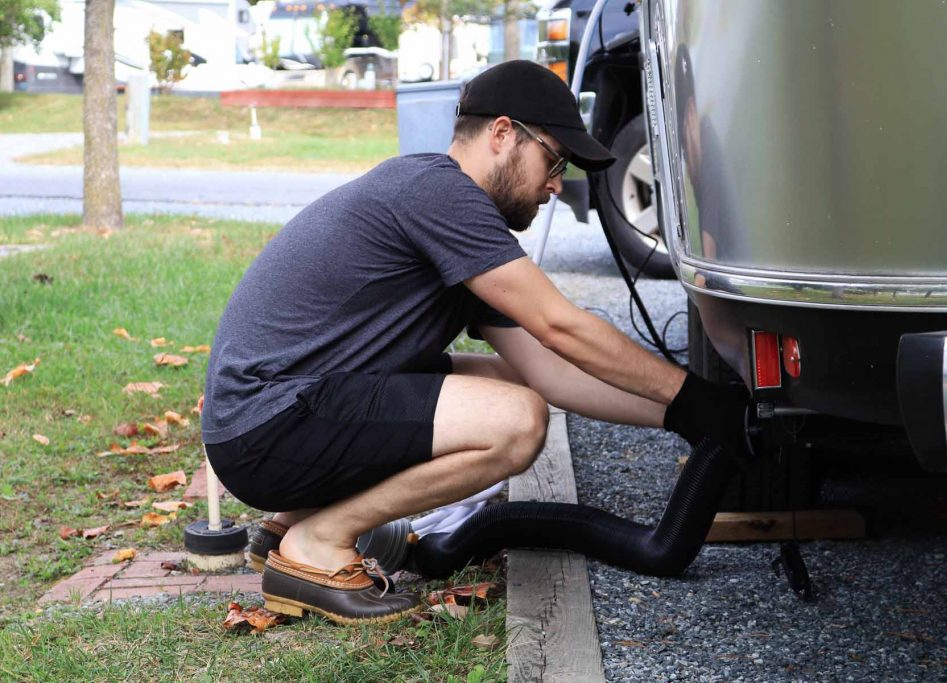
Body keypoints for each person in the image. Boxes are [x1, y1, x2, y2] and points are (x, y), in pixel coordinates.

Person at [201, 60, 747, 625]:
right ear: (502, 134)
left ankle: (292, 521)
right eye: (553, 160)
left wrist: (681, 416)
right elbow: (562, 326)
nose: (557, 185)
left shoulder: (456, 214)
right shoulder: (442, 193)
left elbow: (553, 368)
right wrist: (692, 395)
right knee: (515, 420)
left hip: (278, 414)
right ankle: (319, 540)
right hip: (264, 423)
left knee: (511, 384)